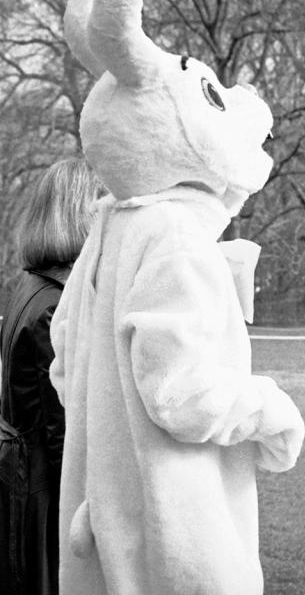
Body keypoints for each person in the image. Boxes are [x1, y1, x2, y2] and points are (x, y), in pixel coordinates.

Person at [52, 0, 305, 593]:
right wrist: (271, 409)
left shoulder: (112, 231)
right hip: (174, 538)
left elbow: (62, 361)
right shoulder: (174, 240)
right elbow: (183, 397)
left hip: (107, 525)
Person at [0, 158, 101, 595]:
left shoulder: (31, 285)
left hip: (21, 469)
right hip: (40, 483)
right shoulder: (53, 305)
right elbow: (62, 427)